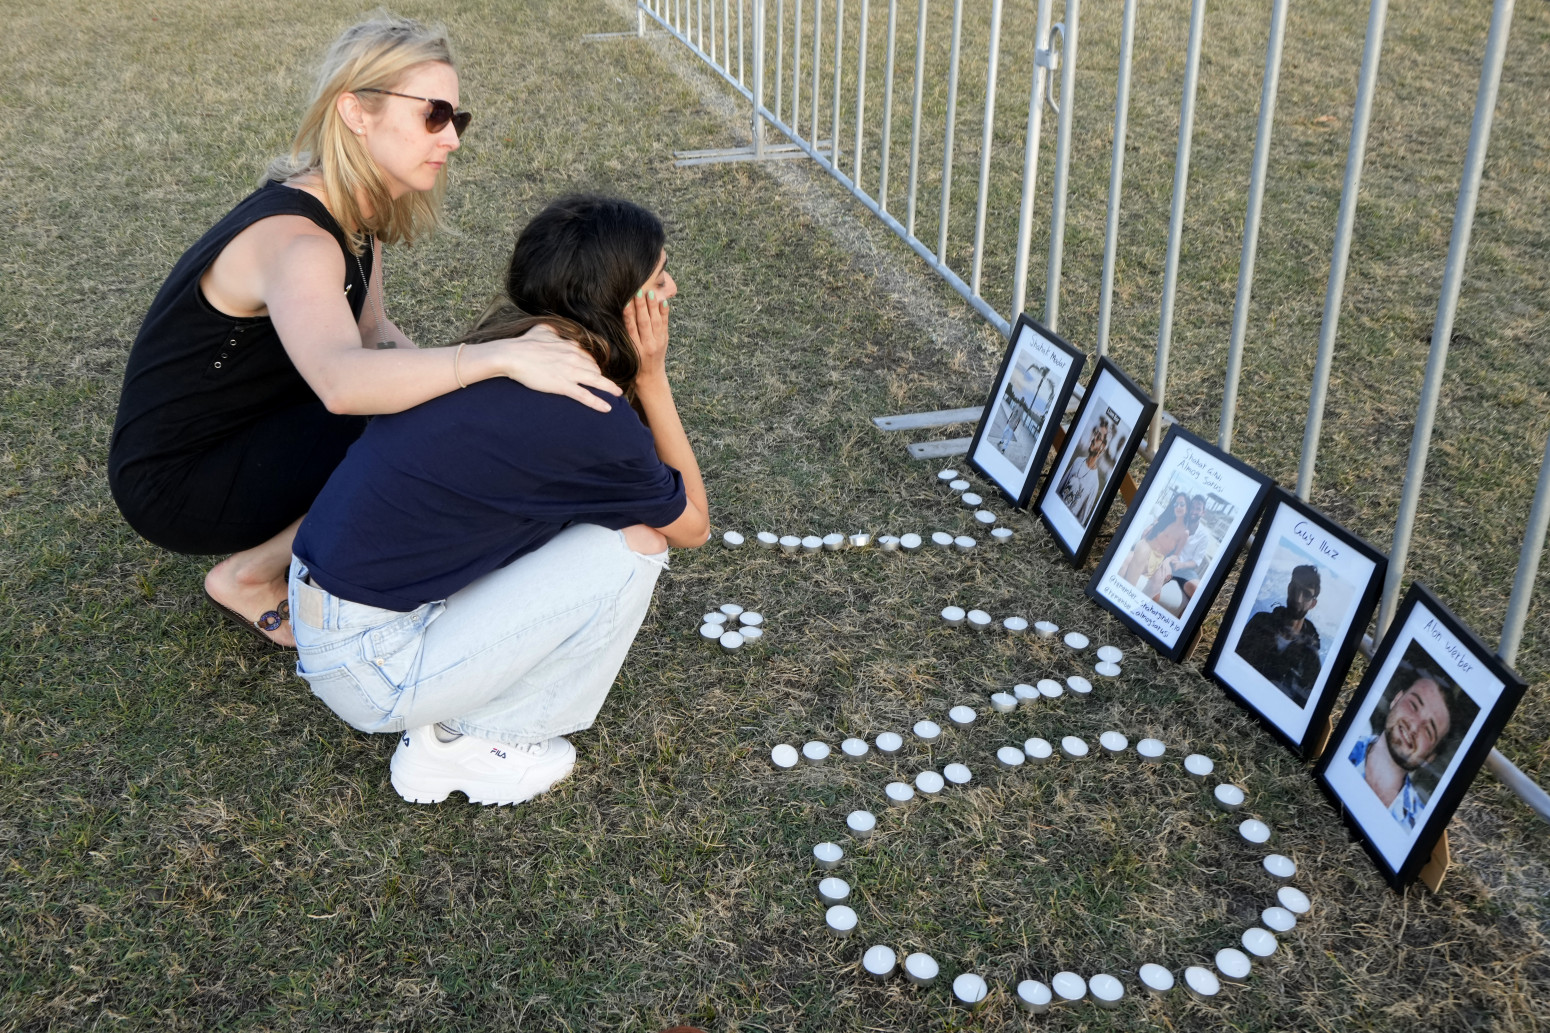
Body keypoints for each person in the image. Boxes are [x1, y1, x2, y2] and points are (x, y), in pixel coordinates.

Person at [107, 14, 618, 647]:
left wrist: (481, 397)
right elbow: (344, 383)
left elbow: (373, 334)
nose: (451, 138)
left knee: (438, 414)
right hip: (181, 480)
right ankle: (250, 573)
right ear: (355, 111)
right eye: (433, 114)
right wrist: (494, 362)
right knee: (416, 427)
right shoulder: (298, 241)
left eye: (456, 119)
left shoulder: (354, 215)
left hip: (251, 430)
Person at [286, 194, 708, 807]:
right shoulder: (588, 411)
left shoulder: (507, 343)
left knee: (594, 525)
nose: (670, 290)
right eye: (658, 277)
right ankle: (475, 742)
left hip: (331, 613)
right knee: (636, 545)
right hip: (371, 667)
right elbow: (690, 524)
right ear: (618, 301)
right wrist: (651, 377)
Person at [1348, 666, 1470, 830]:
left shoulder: (1416, 827)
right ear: (1396, 699)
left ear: (1430, 757)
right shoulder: (1340, 752)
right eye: (1413, 705)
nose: (1414, 726)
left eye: (1429, 730)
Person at [1234, 564, 1324, 705]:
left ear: (1313, 604)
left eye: (1306, 594)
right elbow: (1233, 660)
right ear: (1289, 589)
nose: (1298, 599)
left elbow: (1301, 703)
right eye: (1295, 588)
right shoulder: (1260, 621)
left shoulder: (1311, 657)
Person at [1143, 495, 1216, 614]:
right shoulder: (1179, 519)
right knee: (1156, 584)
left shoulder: (1204, 535)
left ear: (1203, 513)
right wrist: (1152, 525)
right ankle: (1144, 614)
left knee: (1198, 593)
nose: (1193, 511)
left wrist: (1181, 565)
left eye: (1198, 509)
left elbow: (1195, 562)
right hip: (1167, 560)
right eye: (1192, 507)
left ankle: (1181, 626)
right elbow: (1161, 518)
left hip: (1184, 569)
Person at [1116, 492, 1191, 586]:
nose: (1178, 507)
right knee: (1125, 561)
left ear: (1187, 509)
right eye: (1176, 504)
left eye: (1182, 504)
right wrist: (1151, 526)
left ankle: (1126, 591)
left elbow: (1176, 555)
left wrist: (1167, 561)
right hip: (1145, 547)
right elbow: (1146, 533)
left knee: (1131, 559)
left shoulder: (1184, 532)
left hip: (1155, 558)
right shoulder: (1166, 520)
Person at [1055, 415, 1112, 527]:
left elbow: (1081, 519)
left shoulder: (1094, 484)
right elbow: (1059, 488)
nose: (1093, 439)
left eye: (1098, 437)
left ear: (1103, 447)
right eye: (1095, 434)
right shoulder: (1078, 461)